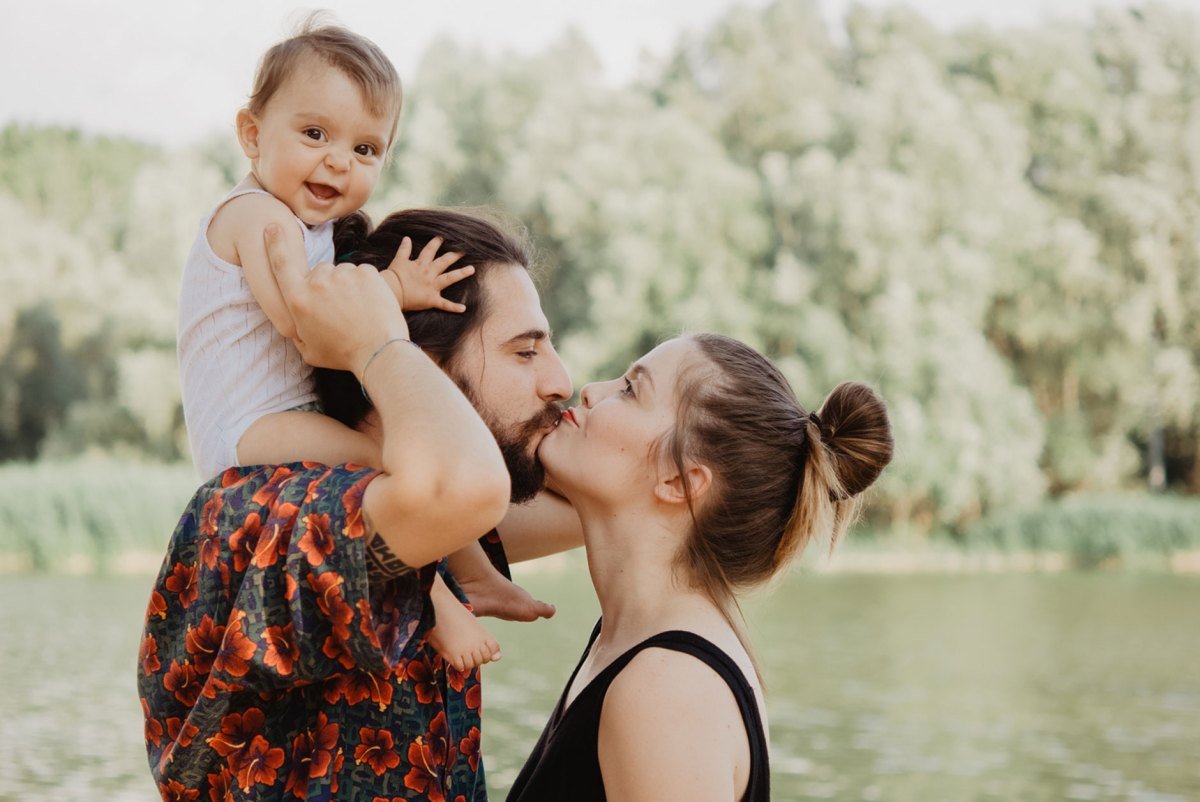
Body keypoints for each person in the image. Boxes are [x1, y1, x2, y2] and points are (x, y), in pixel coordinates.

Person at [140, 208, 576, 801]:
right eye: (525, 352)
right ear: (423, 364)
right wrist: (378, 345)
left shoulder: (426, 526)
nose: (562, 381)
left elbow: (596, 504)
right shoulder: (271, 511)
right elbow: (463, 490)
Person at [175, 18, 533, 672]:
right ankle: (442, 601)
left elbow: (330, 306)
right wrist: (394, 287)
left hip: (278, 421)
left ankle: (475, 575)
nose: (339, 160)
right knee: (390, 462)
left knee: (399, 460)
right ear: (252, 135)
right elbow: (311, 328)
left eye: (366, 149)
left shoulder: (306, 224)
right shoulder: (257, 217)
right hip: (247, 432)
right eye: (315, 134)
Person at [507, 334, 894, 801]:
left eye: (630, 389)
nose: (589, 390)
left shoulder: (666, 693)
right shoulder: (633, 642)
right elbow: (455, 510)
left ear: (680, 481)